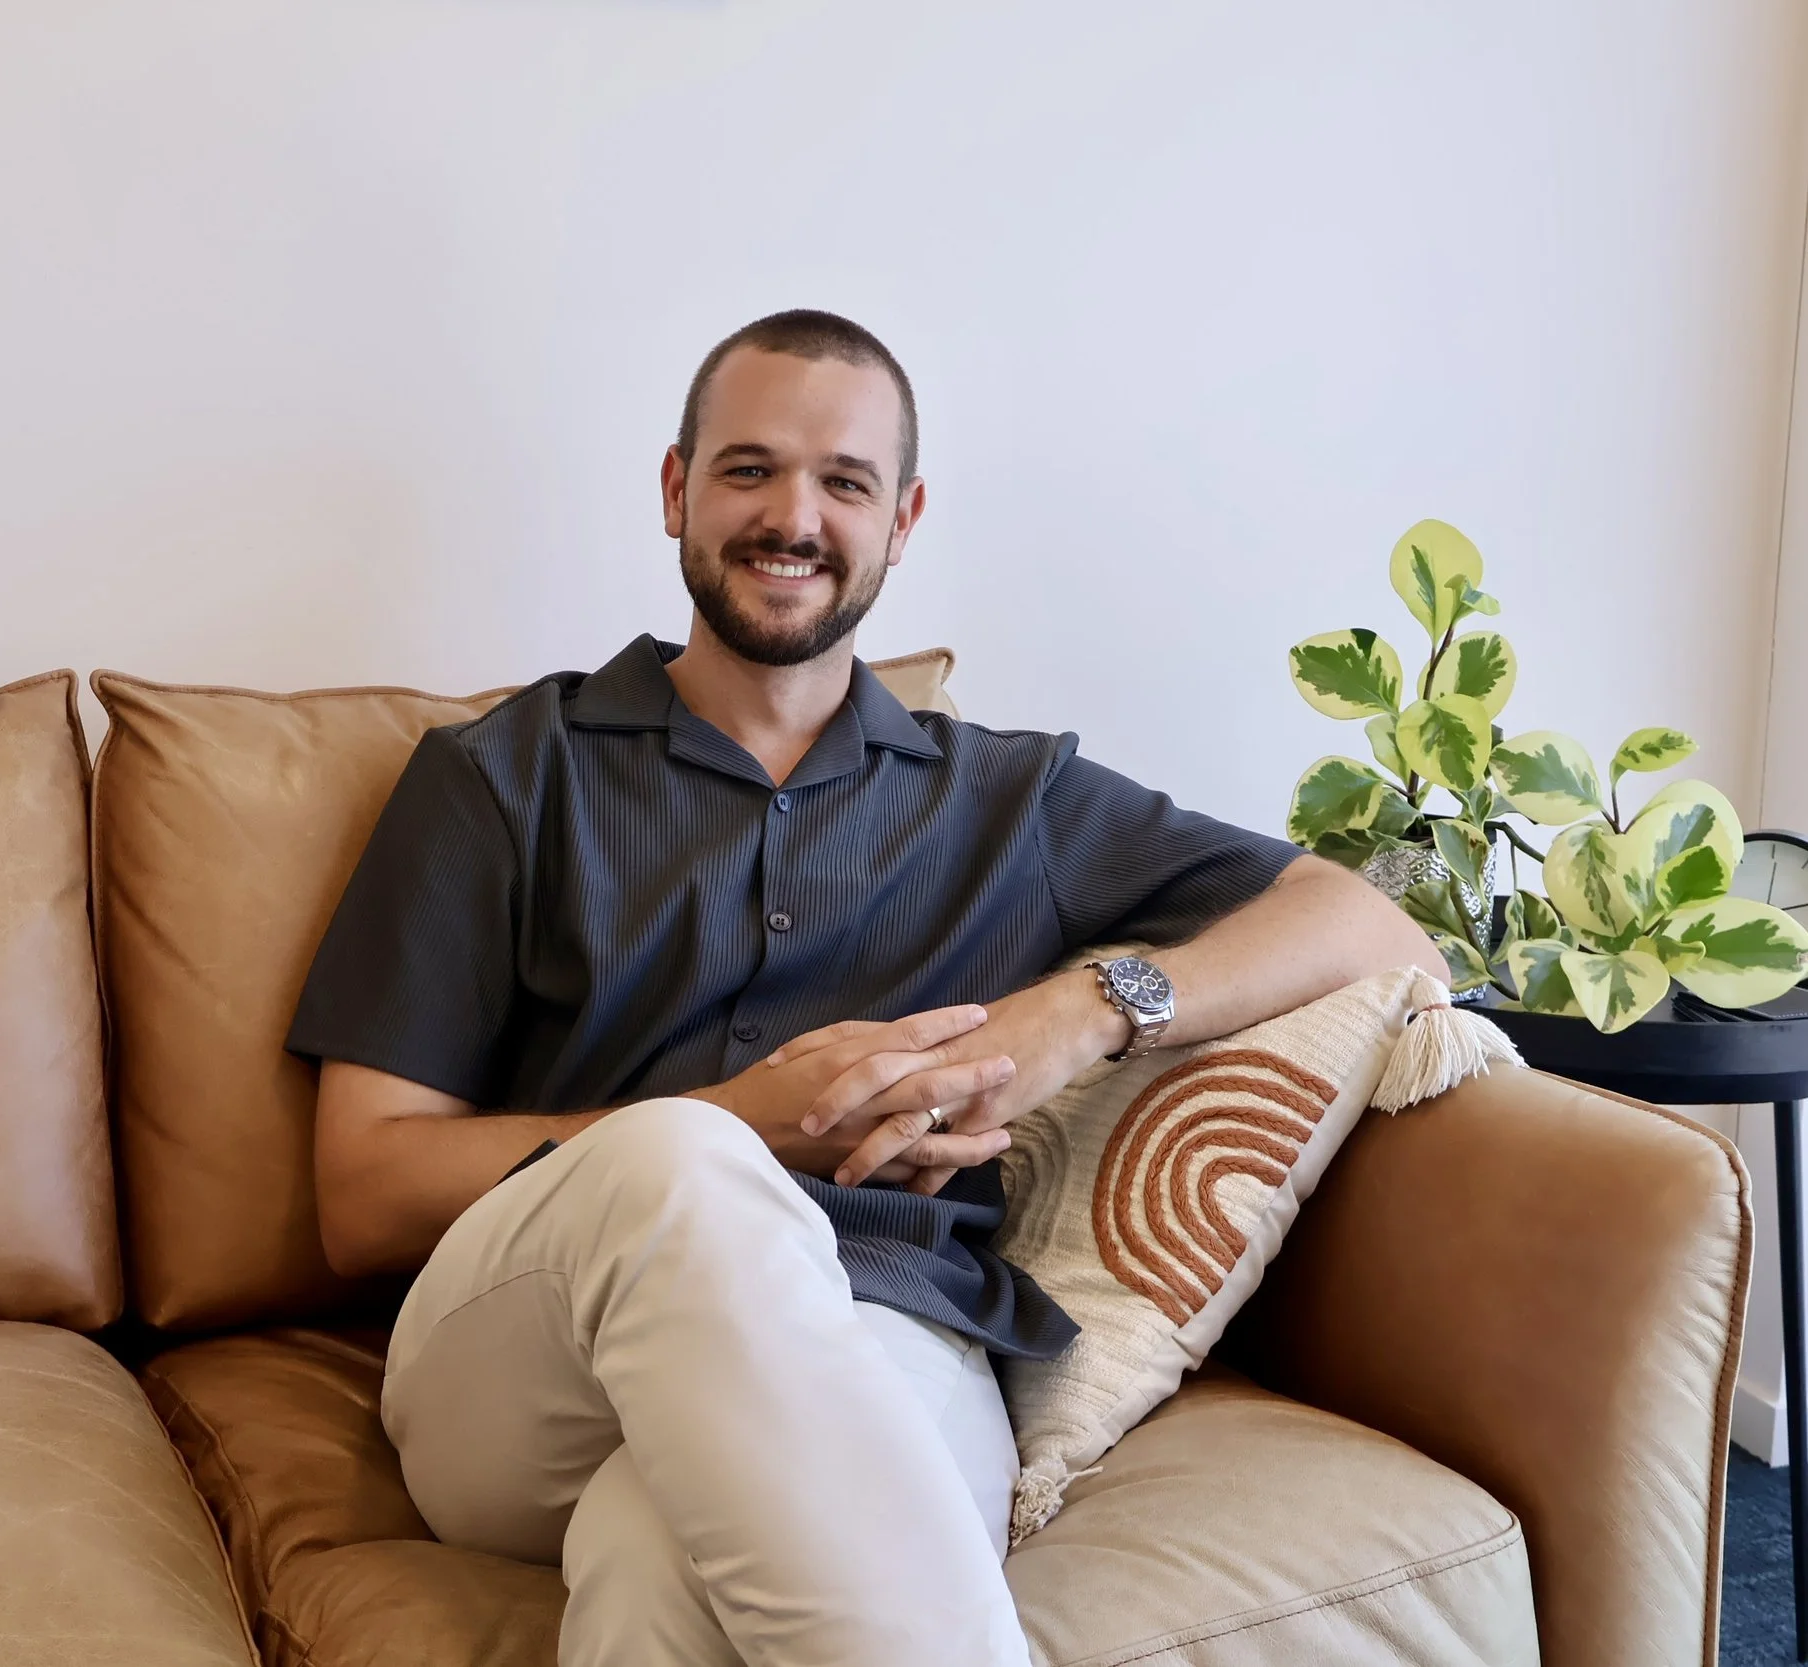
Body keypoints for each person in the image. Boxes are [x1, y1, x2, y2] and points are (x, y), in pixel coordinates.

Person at [286, 309, 1441, 1666]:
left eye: (843, 483)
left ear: (903, 517)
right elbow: (361, 1194)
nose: (794, 516)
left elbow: (1373, 926)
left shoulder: (1013, 800)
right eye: (748, 469)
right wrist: (742, 1119)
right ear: (676, 490)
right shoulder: (501, 778)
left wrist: (1083, 1010)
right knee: (681, 1158)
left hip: (891, 1322)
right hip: (527, 1364)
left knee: (658, 1560)